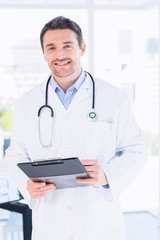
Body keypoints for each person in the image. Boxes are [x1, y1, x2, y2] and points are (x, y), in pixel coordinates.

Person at [4, 16, 146, 240]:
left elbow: (136, 150)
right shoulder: (27, 104)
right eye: (51, 48)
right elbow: (14, 156)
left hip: (99, 224)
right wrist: (26, 184)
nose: (60, 54)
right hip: (50, 224)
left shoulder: (114, 98)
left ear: (82, 48)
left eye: (67, 46)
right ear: (44, 54)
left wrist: (107, 175)